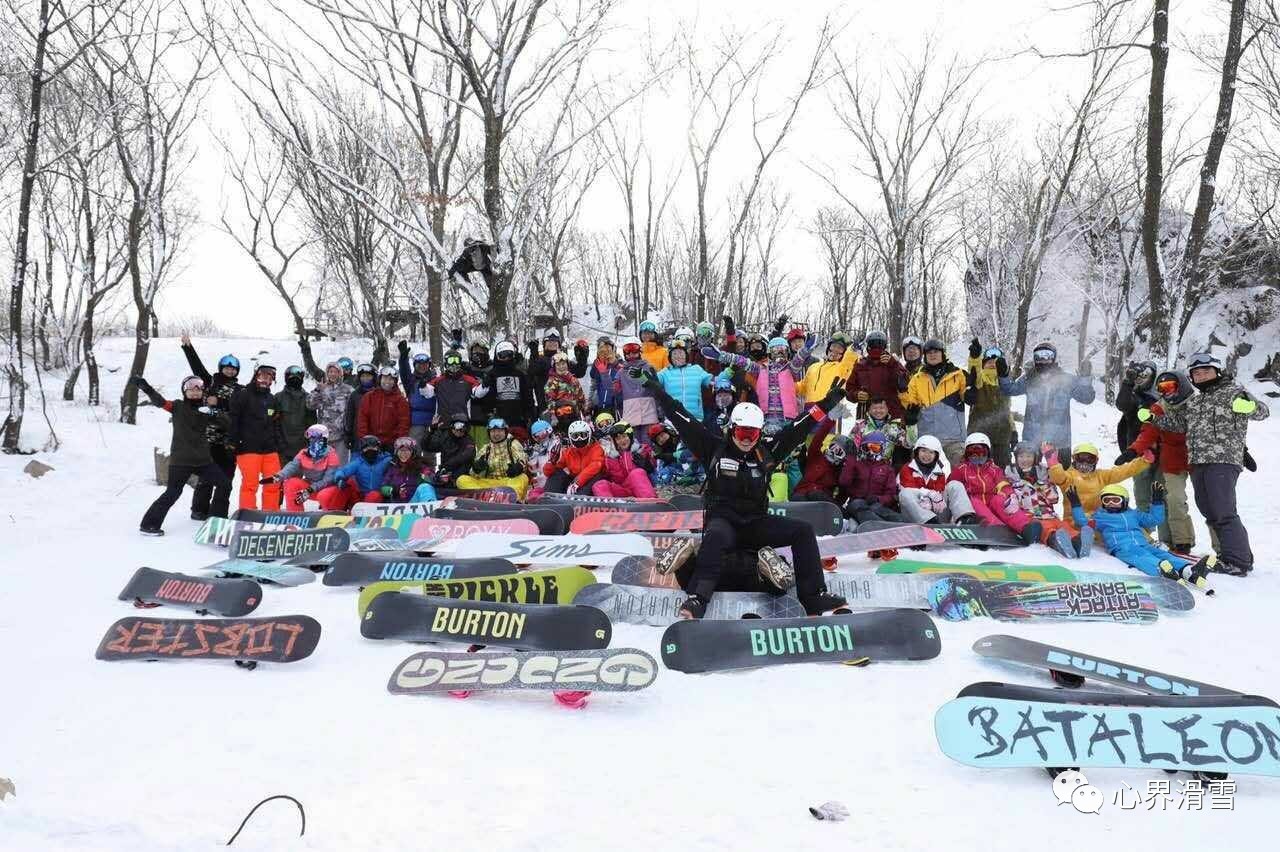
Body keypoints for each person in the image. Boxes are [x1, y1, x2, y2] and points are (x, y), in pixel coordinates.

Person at [636, 366, 849, 619]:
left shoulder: (767, 452)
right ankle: (697, 599)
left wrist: (825, 404)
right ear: (732, 428)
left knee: (802, 531)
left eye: (753, 434)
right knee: (714, 535)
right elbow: (681, 416)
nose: (747, 439)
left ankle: (813, 596)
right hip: (723, 523)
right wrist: (657, 390)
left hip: (755, 524)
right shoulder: (712, 447)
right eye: (742, 433)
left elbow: (799, 427)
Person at [1162, 352, 1269, 576]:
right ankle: (1232, 555)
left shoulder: (1233, 392)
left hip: (1223, 460)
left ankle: (1238, 561)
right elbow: (1180, 425)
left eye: (1206, 371)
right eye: (1197, 373)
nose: (1201, 376)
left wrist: (1249, 407)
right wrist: (1153, 418)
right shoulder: (1196, 400)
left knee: (1223, 510)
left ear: (1217, 371)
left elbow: (1262, 411)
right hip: (1198, 461)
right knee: (1208, 508)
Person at [133, 375, 232, 535]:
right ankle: (149, 524)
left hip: (203, 461)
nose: (195, 392)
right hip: (181, 461)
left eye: (198, 389)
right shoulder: (177, 406)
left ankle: (217, 522)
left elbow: (227, 424)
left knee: (225, 484)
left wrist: (214, 412)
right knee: (173, 492)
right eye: (190, 389)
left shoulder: (205, 410)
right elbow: (160, 402)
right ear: (184, 392)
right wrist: (147, 388)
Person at [1068, 483, 1213, 583]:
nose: (1111, 503)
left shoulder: (1134, 514)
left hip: (1143, 544)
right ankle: (1160, 569)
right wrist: (1075, 504)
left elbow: (1154, 519)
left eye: (1115, 500)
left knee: (1162, 554)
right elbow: (1083, 522)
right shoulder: (1101, 516)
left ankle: (1187, 569)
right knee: (1142, 558)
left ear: (1124, 501)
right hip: (1122, 548)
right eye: (1107, 500)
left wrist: (1157, 502)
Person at [1122, 370, 1198, 551]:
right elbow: (1148, 431)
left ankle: (1218, 545)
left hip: (1199, 457)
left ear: (1181, 385)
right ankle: (1178, 540)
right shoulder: (1159, 406)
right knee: (1173, 499)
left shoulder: (1197, 404)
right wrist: (1133, 450)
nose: (1167, 391)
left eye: (1170, 386)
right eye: (1162, 388)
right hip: (1172, 461)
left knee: (1210, 504)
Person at [178, 334, 239, 520]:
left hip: (228, 440)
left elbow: (238, 409)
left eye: (233, 369)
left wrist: (220, 401)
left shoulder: (240, 390)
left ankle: (218, 513)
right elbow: (196, 367)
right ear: (221, 368)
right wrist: (188, 347)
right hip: (208, 439)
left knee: (226, 478)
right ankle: (199, 510)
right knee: (206, 478)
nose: (229, 371)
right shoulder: (209, 383)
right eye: (226, 368)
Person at [998, 341, 1094, 454]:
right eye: (1039, 356)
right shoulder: (1029, 379)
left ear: (1054, 358)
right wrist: (1003, 374)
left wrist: (1085, 378)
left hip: (1059, 441)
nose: (1043, 359)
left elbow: (1086, 398)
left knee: (1060, 472)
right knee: (1030, 470)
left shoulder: (1065, 380)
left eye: (1047, 355)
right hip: (1032, 439)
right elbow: (1009, 389)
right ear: (1035, 359)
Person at [702, 334, 811, 432]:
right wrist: (722, 356)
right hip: (766, 418)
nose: (779, 354)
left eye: (783, 350)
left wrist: (806, 349)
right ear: (769, 353)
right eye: (775, 350)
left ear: (787, 352)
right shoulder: (760, 369)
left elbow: (798, 359)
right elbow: (742, 361)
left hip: (788, 418)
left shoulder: (791, 369)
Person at [948, 433, 1040, 544]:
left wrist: (1010, 495)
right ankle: (998, 530)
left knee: (1000, 500)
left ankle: (1025, 528)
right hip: (975, 510)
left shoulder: (994, 469)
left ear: (988, 452)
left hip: (993, 505)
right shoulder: (961, 470)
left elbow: (1003, 483)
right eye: (972, 452)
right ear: (967, 454)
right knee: (975, 501)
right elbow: (952, 488)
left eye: (981, 452)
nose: (977, 456)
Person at [1005, 442, 1088, 557]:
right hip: (1032, 516)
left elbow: (1054, 499)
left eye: (1029, 456)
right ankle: (1057, 542)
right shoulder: (1011, 477)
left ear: (1035, 458)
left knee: (1064, 526)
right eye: (1021, 456)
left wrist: (1043, 483)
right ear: (1016, 458)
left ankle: (1079, 543)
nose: (1025, 459)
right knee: (1047, 529)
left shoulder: (1043, 474)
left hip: (1050, 514)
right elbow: (1012, 501)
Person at [899, 339, 967, 467]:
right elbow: (910, 404)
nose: (932, 355)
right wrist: (903, 395)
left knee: (962, 474)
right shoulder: (917, 378)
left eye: (936, 351)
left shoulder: (958, 375)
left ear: (943, 353)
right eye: (929, 352)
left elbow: (968, 396)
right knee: (921, 477)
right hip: (926, 436)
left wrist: (975, 360)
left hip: (953, 438)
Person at [228, 364, 286, 511]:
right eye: (262, 375)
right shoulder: (243, 394)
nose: (265, 379)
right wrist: (234, 442)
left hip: (270, 449)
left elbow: (276, 423)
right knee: (250, 484)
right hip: (248, 448)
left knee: (273, 483)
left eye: (269, 377)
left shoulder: (272, 399)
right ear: (256, 376)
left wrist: (278, 444)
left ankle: (271, 513)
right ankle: (248, 514)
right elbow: (233, 419)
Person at [1044, 441, 1149, 515]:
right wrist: (1053, 464)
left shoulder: (1101, 476)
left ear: (1096, 461)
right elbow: (1058, 477)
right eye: (1081, 458)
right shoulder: (1069, 476)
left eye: (1090, 459)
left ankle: (1148, 541)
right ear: (1074, 459)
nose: (1085, 462)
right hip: (1074, 519)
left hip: (1098, 517)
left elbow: (1123, 471)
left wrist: (1144, 461)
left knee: (1125, 520)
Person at [897, 434, 980, 525]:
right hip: (916, 515)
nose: (927, 455)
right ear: (917, 452)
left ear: (936, 455)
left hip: (937, 515)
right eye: (923, 451)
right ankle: (928, 521)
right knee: (905, 493)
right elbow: (908, 488)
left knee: (954, 484)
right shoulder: (907, 469)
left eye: (931, 452)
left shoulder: (939, 472)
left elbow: (940, 492)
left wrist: (937, 498)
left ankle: (964, 518)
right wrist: (929, 494)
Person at [1115, 359, 1158, 510]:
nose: (1141, 378)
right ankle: (1145, 533)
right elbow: (1122, 404)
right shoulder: (1134, 397)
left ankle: (1169, 534)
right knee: (1142, 497)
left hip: (1162, 454)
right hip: (1139, 454)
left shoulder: (1162, 397)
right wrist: (1128, 382)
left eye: (1146, 374)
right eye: (1138, 375)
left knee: (1164, 498)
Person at [266, 424, 341, 510]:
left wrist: (311, 489)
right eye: (311, 438)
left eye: (315, 437)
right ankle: (295, 515)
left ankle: (330, 514)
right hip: (310, 489)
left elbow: (328, 480)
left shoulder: (331, 455)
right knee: (290, 483)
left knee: (323, 496)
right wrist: (279, 476)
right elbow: (292, 466)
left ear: (323, 438)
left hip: (327, 489)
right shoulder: (304, 453)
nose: (312, 440)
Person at [964, 341, 1013, 468]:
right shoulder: (980, 381)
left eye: (995, 362)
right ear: (983, 365)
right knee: (978, 472)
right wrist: (975, 358)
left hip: (1002, 438)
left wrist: (1013, 430)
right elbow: (974, 370)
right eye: (989, 362)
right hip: (979, 437)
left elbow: (1007, 411)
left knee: (1002, 474)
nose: (992, 364)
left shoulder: (1006, 386)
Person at [839, 430, 904, 525]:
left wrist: (879, 499)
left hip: (876, 503)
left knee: (877, 508)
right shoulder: (857, 465)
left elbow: (891, 495)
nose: (870, 452)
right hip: (856, 502)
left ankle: (902, 524)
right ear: (862, 448)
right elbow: (844, 482)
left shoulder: (887, 469)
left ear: (883, 449)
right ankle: (878, 526)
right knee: (859, 505)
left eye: (875, 448)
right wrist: (851, 458)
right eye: (867, 448)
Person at [457, 418, 531, 498]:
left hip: (508, 483)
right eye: (493, 431)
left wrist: (518, 467)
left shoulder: (512, 444)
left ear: (505, 432)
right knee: (461, 480)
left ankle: (509, 498)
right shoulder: (486, 449)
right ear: (489, 433)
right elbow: (473, 474)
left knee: (523, 478)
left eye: (499, 431)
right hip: (490, 485)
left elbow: (523, 459)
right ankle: (485, 496)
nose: (496, 434)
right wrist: (476, 468)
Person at [315, 435, 392, 509]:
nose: (370, 451)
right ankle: (334, 510)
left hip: (377, 497)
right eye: (367, 448)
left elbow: (396, 464)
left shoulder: (384, 461)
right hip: (361, 497)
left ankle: (365, 515)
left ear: (378, 449)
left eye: (373, 448)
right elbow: (343, 470)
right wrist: (340, 478)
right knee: (348, 484)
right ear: (362, 450)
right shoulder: (358, 462)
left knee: (374, 495)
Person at [848, 330, 908, 419]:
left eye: (879, 344)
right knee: (867, 433)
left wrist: (892, 364)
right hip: (866, 414)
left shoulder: (893, 363)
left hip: (891, 414)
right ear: (868, 346)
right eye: (873, 344)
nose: (876, 348)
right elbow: (849, 389)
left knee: (892, 433)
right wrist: (856, 394)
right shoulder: (860, 365)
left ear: (884, 347)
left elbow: (903, 385)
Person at [484, 340, 537, 440]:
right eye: (502, 355)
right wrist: (489, 413)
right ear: (497, 356)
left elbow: (528, 396)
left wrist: (530, 414)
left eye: (509, 355)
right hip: (498, 421)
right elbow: (487, 398)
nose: (506, 359)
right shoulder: (492, 375)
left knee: (518, 448)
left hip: (518, 420)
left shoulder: (520, 374)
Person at [594, 421, 658, 498]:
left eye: (624, 436)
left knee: (636, 473)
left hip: (642, 487)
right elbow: (605, 475)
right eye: (618, 438)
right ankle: (610, 507)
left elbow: (655, 465)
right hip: (623, 489)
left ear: (630, 436)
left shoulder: (642, 450)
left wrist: (648, 466)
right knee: (599, 484)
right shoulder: (610, 458)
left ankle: (650, 502)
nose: (622, 441)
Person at [792, 418, 848, 503]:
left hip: (821, 500)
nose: (833, 452)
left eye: (839, 452)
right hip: (802, 494)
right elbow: (818, 438)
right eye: (832, 447)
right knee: (798, 498)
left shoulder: (838, 471)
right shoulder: (816, 456)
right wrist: (830, 420)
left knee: (815, 494)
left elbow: (845, 488)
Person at [656, 339, 712, 422]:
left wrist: (729, 371)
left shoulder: (696, 369)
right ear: (670, 357)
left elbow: (713, 382)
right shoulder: (665, 372)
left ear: (686, 355)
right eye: (674, 354)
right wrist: (642, 376)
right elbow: (652, 382)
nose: (678, 356)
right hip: (673, 418)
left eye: (681, 353)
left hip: (695, 417)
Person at [543, 419, 606, 494]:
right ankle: (550, 496)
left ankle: (580, 498)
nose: (579, 439)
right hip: (574, 482)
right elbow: (548, 473)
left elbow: (595, 466)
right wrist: (551, 462)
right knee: (557, 473)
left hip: (587, 482)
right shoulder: (568, 452)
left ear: (589, 435)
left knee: (597, 476)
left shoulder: (597, 449)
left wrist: (577, 482)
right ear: (570, 437)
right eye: (575, 436)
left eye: (583, 435)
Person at [309, 362, 355, 462]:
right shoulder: (322, 388)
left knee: (340, 466)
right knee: (322, 466)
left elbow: (354, 410)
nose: (332, 374)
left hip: (341, 436)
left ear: (340, 374)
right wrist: (318, 390)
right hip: (323, 436)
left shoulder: (348, 390)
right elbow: (310, 405)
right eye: (330, 372)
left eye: (335, 372)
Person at [617, 338, 661, 444]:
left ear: (639, 351)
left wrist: (660, 412)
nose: (631, 355)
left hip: (649, 413)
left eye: (634, 350)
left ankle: (650, 460)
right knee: (634, 445)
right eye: (627, 351)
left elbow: (657, 389)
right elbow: (615, 394)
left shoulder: (649, 368)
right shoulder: (621, 372)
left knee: (649, 445)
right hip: (630, 415)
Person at [425, 351, 484, 428]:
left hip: (462, 423)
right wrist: (423, 386)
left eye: (456, 360)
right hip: (442, 423)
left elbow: (478, 392)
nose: (454, 363)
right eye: (451, 360)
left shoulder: (468, 380)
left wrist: (485, 384)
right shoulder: (439, 380)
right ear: (446, 362)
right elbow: (427, 392)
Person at [357, 366, 411, 449]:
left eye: (390, 379)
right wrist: (364, 438)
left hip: (392, 442)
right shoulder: (369, 397)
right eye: (385, 378)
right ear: (380, 379)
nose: (387, 382)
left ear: (395, 382)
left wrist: (400, 441)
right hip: (371, 442)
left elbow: (403, 422)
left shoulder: (400, 400)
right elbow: (363, 419)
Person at [397, 341, 438, 449]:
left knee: (430, 453)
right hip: (416, 423)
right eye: (419, 365)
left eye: (425, 364)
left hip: (432, 422)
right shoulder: (411, 381)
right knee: (415, 450)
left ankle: (430, 467)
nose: (422, 367)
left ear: (429, 365)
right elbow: (404, 371)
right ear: (415, 366)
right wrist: (403, 357)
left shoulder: (435, 380)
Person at [799, 333, 858, 405]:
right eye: (834, 346)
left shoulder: (843, 368)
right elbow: (803, 387)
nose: (835, 351)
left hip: (829, 410)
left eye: (840, 348)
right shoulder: (814, 366)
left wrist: (852, 350)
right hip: (809, 408)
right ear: (828, 348)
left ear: (844, 353)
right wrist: (788, 385)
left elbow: (849, 361)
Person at [851, 396, 911, 465]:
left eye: (881, 408)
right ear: (869, 410)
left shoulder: (893, 428)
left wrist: (911, 425)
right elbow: (851, 447)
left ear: (887, 409)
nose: (878, 411)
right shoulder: (860, 426)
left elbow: (908, 444)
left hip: (883, 470)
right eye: (874, 408)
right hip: (862, 467)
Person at [274, 365, 316, 460]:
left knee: (298, 475)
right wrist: (279, 444)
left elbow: (312, 424)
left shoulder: (308, 398)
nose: (294, 380)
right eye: (291, 377)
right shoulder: (278, 398)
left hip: (302, 448)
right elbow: (274, 423)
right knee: (282, 474)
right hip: (282, 449)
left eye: (297, 377)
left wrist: (309, 445)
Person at [424, 418, 476, 488]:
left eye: (462, 427)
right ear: (451, 427)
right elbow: (427, 447)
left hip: (462, 478)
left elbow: (466, 456)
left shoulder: (469, 441)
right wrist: (431, 431)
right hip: (445, 477)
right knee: (427, 482)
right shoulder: (445, 438)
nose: (459, 431)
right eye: (456, 426)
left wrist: (446, 467)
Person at [381, 436, 431, 502]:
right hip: (397, 504)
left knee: (425, 487)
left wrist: (425, 477)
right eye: (401, 451)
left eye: (407, 451)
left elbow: (430, 480)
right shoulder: (392, 468)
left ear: (413, 453)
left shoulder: (421, 467)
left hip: (415, 503)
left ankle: (430, 509)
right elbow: (383, 488)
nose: (403, 454)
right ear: (396, 453)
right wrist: (394, 490)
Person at [544, 351, 588, 419]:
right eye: (558, 365)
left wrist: (585, 414)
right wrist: (553, 415)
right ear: (554, 367)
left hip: (575, 414)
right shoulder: (552, 381)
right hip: (560, 415)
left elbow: (581, 398)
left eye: (563, 364)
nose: (561, 367)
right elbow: (549, 400)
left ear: (567, 365)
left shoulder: (574, 380)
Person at [344, 363, 377, 451]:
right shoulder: (354, 394)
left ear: (374, 377)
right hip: (357, 436)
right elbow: (349, 415)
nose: (365, 378)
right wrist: (348, 434)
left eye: (368, 376)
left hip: (376, 435)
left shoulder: (379, 393)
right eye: (363, 376)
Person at [587, 336, 622, 418]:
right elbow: (593, 386)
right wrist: (590, 403)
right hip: (600, 405)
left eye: (607, 349)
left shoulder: (619, 363)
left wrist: (614, 363)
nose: (605, 353)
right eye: (602, 350)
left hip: (615, 406)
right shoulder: (597, 365)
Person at [525, 419, 561, 499]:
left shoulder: (557, 444)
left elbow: (559, 463)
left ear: (548, 431)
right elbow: (533, 469)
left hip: (554, 479)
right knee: (531, 495)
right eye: (536, 436)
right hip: (540, 482)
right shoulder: (536, 448)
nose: (540, 438)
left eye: (542, 434)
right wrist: (529, 456)